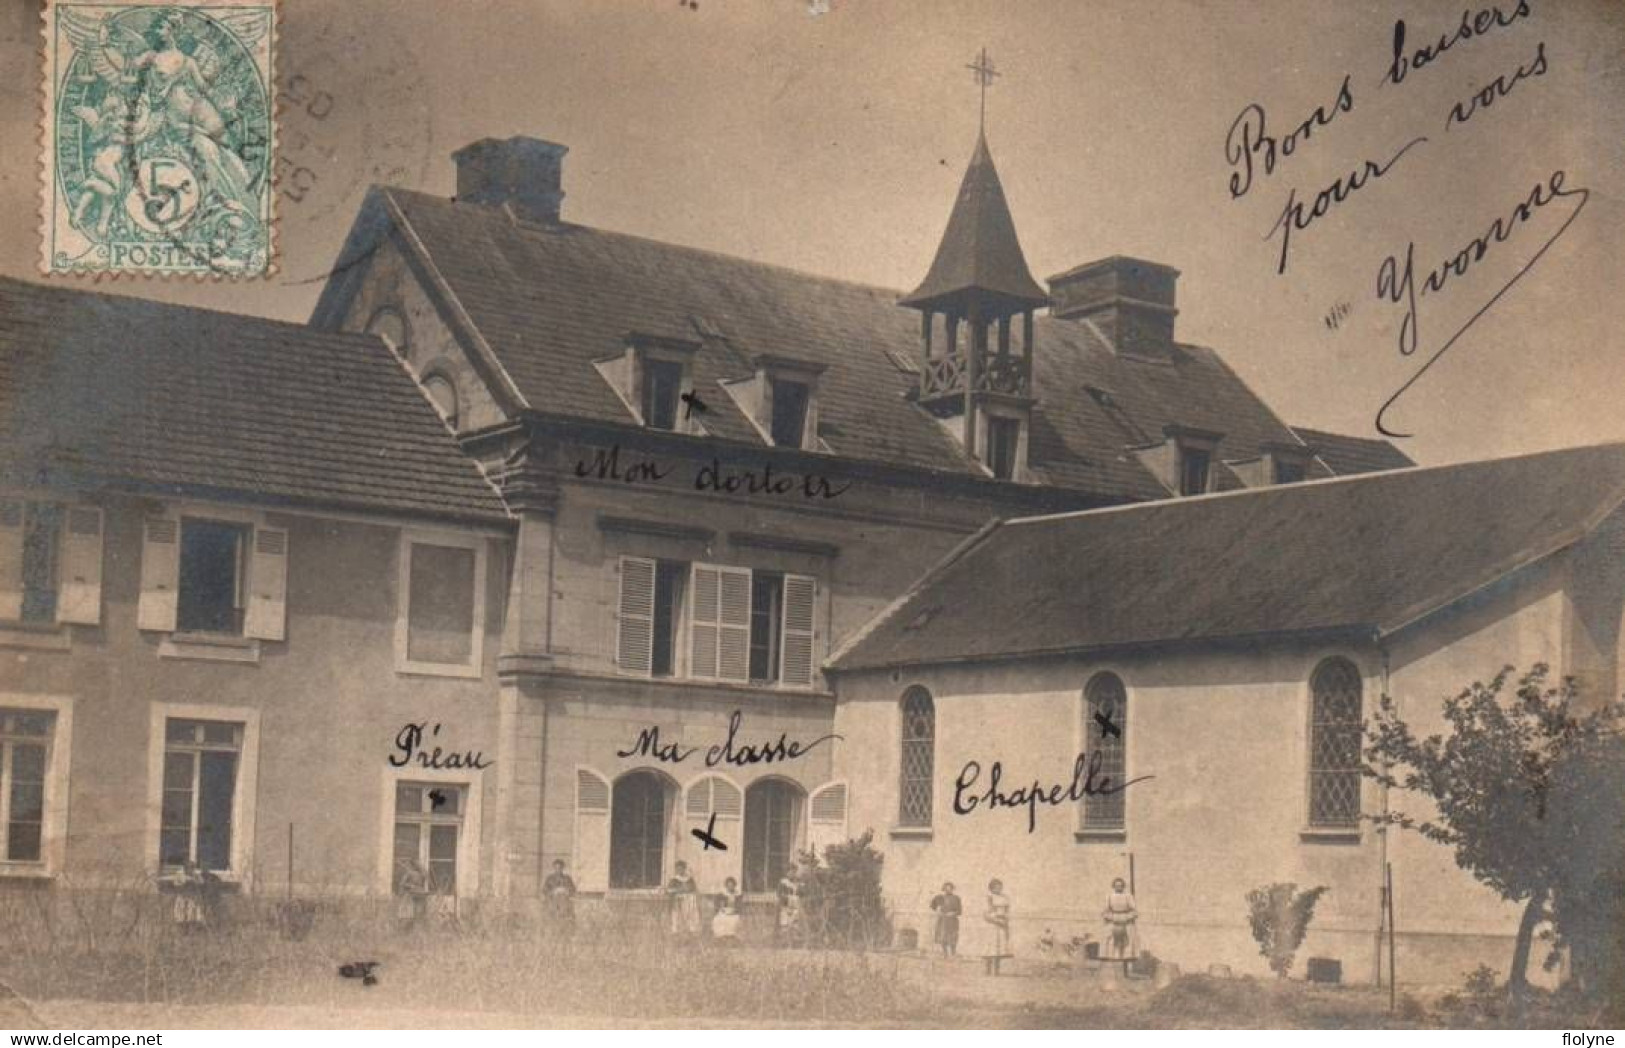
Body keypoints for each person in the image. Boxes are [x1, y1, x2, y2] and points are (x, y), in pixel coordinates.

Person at [963, 878, 1013, 975]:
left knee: (999, 949)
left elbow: (1007, 911)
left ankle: (997, 971)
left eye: (1000, 887)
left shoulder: (1004, 897)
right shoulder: (988, 897)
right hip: (991, 925)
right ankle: (988, 970)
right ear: (991, 888)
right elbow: (986, 914)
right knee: (990, 948)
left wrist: (1005, 920)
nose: (999, 889)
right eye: (996, 887)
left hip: (1001, 925)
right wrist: (996, 920)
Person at [1102, 876, 1140, 975]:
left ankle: (1125, 970)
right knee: (1111, 943)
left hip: (1126, 921)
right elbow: (1105, 911)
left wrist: (1126, 918)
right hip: (1113, 920)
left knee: (1126, 944)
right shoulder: (1109, 896)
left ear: (1123, 886)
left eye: (1120, 886)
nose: (1118, 887)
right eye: (1116, 886)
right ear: (1113, 886)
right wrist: (1112, 918)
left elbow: (1134, 911)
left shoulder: (1128, 896)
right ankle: (1112, 972)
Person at [666, 860, 702, 937]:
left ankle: (691, 929)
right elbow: (669, 890)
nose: (680, 870)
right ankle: (676, 931)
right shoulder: (674, 879)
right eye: (678, 869)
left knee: (690, 913)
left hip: (689, 899)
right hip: (678, 899)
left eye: (681, 868)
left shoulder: (689, 879)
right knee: (677, 915)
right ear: (676, 870)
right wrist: (678, 890)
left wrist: (690, 891)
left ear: (684, 869)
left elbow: (694, 889)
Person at [928, 882, 962, 957]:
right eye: (946, 888)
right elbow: (932, 906)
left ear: (952, 889)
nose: (948, 890)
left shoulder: (956, 898)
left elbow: (960, 911)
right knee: (942, 937)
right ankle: (945, 953)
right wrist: (937, 910)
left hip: (952, 921)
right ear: (943, 889)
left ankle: (953, 953)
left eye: (950, 888)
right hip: (942, 920)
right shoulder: (939, 897)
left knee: (953, 938)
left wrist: (953, 913)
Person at [394, 857, 430, 929]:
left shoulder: (421, 873)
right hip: (410, 895)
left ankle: (418, 926)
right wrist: (410, 885)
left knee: (419, 912)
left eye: (419, 864)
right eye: (416, 864)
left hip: (420, 894)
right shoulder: (408, 873)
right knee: (409, 914)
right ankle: (406, 927)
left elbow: (426, 876)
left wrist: (421, 868)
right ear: (412, 865)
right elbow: (402, 884)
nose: (418, 865)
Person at [542, 858, 577, 931]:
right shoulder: (550, 878)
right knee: (551, 915)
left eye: (560, 868)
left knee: (568, 915)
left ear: (563, 868)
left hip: (564, 901)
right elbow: (544, 890)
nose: (558, 870)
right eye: (556, 868)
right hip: (553, 901)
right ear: (554, 868)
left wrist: (567, 891)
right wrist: (553, 892)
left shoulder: (567, 878)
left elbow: (573, 889)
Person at [711, 876, 743, 944]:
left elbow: (740, 906)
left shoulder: (737, 895)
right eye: (729, 885)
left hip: (734, 912)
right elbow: (716, 902)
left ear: (734, 886)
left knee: (734, 920)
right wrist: (720, 909)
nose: (730, 887)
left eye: (732, 885)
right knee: (717, 919)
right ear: (726, 886)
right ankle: (721, 936)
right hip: (724, 911)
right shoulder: (722, 894)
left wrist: (735, 910)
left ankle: (731, 936)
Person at [775, 866, 802, 946]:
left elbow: (800, 893)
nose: (793, 874)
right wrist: (788, 898)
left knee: (795, 923)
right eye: (791, 872)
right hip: (785, 906)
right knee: (784, 923)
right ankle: (784, 942)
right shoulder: (783, 882)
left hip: (796, 906)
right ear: (787, 872)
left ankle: (794, 942)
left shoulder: (797, 883)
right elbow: (780, 894)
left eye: (794, 872)